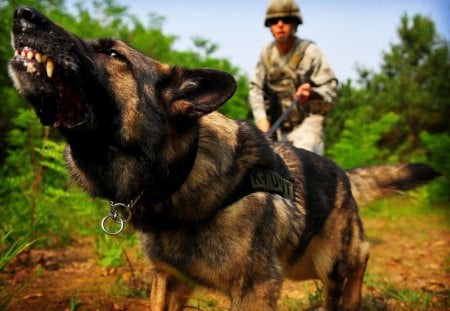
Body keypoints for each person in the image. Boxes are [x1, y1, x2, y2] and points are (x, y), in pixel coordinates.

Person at [249, 0, 338, 155]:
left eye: (286, 20)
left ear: (295, 23)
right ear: (269, 25)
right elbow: (255, 88)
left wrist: (312, 93)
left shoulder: (310, 52)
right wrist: (262, 119)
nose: (280, 24)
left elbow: (331, 89)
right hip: (276, 125)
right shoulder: (266, 53)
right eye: (274, 20)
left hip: (306, 122)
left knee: (303, 162)